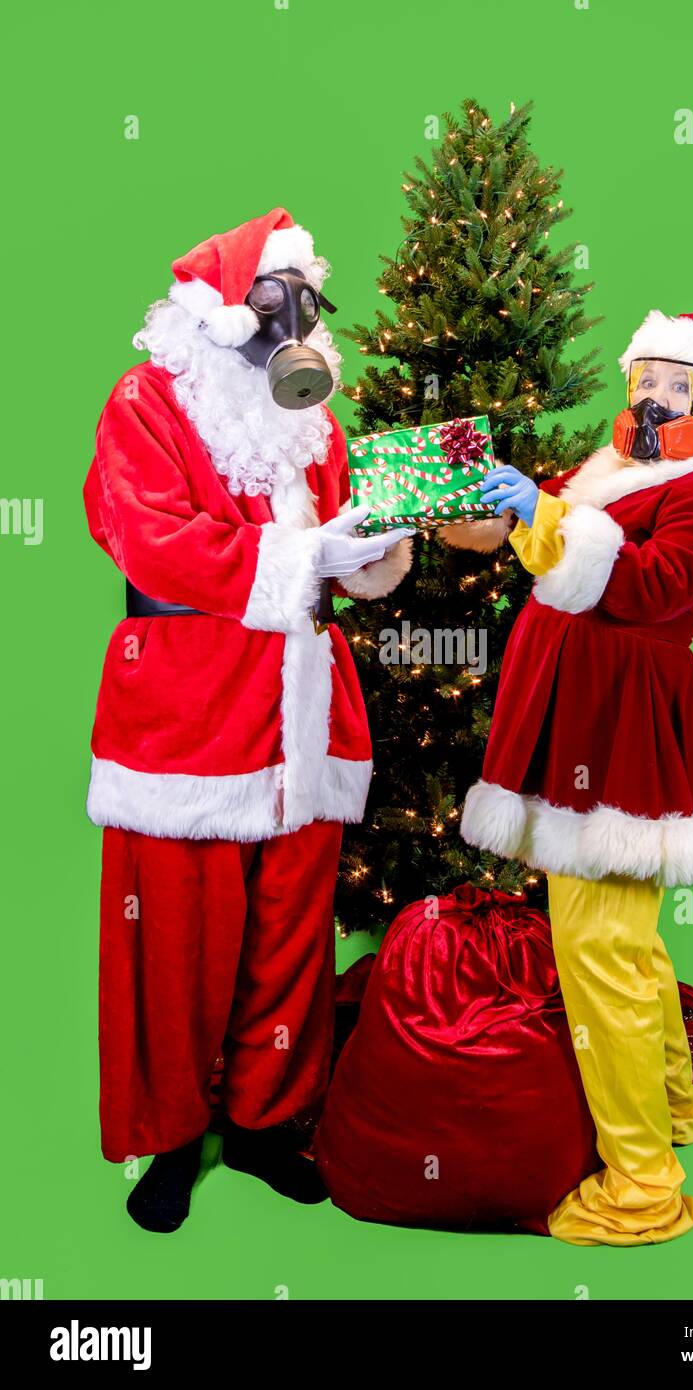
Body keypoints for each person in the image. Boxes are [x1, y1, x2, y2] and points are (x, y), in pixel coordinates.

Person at [84, 208, 413, 1232]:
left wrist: (371, 555)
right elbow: (145, 538)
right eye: (274, 299)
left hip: (302, 711)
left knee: (288, 938)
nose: (293, 320)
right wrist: (295, 564)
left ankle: (267, 1122)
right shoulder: (147, 400)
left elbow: (335, 552)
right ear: (223, 308)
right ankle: (175, 1137)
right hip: (184, 716)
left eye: (307, 301)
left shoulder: (312, 422)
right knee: (173, 944)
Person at [462, 309, 693, 1246]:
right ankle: (676, 1102)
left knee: (599, 949)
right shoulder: (614, 471)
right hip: (569, 711)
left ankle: (642, 1186)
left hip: (623, 723)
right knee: (626, 943)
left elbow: (646, 587)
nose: (649, 397)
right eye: (642, 378)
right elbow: (543, 552)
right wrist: (504, 508)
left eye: (672, 385)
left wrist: (545, 514)